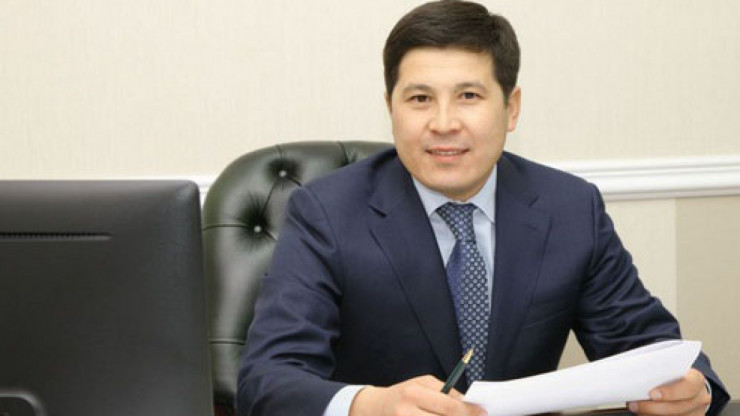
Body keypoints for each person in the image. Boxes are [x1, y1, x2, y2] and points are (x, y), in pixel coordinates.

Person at [236, 1, 730, 415]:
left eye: (468, 96)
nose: (443, 122)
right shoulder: (326, 212)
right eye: (420, 98)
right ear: (391, 108)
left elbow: (649, 345)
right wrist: (371, 405)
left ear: (511, 108)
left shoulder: (569, 208)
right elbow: (267, 379)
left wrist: (695, 388)